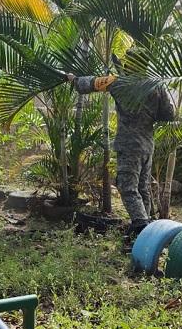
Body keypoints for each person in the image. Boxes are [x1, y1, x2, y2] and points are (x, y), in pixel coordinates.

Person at [64, 71, 176, 246]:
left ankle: (140, 225)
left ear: (128, 64)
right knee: (142, 188)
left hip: (129, 145)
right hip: (147, 144)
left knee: (127, 187)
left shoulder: (119, 81)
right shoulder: (156, 84)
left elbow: (89, 84)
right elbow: (169, 114)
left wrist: (73, 79)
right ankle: (144, 236)